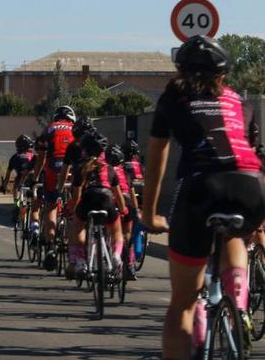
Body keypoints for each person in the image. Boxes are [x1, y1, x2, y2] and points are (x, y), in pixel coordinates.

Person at [142, 35, 265, 359]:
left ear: (180, 71)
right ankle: (237, 291)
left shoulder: (173, 97)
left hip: (200, 186)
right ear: (223, 75)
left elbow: (157, 155)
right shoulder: (242, 102)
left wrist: (149, 214)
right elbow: (250, 153)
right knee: (234, 230)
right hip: (251, 186)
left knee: (182, 303)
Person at [71, 131, 128, 277]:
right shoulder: (109, 168)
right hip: (106, 200)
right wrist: (123, 210)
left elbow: (77, 193)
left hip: (88, 200)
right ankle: (116, 255)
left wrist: (74, 209)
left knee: (77, 227)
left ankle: (80, 261)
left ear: (84, 150)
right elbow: (118, 194)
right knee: (117, 232)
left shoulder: (81, 167)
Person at [30, 105, 76, 272]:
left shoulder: (48, 129)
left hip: (53, 169)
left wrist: (35, 179)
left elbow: (41, 158)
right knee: (75, 205)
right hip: (73, 170)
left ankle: (50, 246)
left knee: (50, 207)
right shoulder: (75, 129)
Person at [59, 116, 95, 279]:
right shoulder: (99, 145)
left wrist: (60, 187)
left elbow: (65, 171)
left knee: (76, 221)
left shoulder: (73, 147)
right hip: (104, 187)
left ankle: (75, 261)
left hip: (80, 187)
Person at [106, 143, 141, 280]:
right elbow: (132, 193)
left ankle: (108, 260)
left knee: (110, 232)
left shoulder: (106, 170)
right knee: (127, 235)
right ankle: (130, 265)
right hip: (126, 202)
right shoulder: (125, 172)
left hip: (110, 201)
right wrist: (136, 209)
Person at [0, 134, 36, 223]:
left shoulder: (14, 157)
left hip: (20, 179)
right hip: (32, 178)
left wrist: (4, 186)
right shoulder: (33, 156)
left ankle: (16, 203)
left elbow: (8, 175)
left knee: (17, 180)